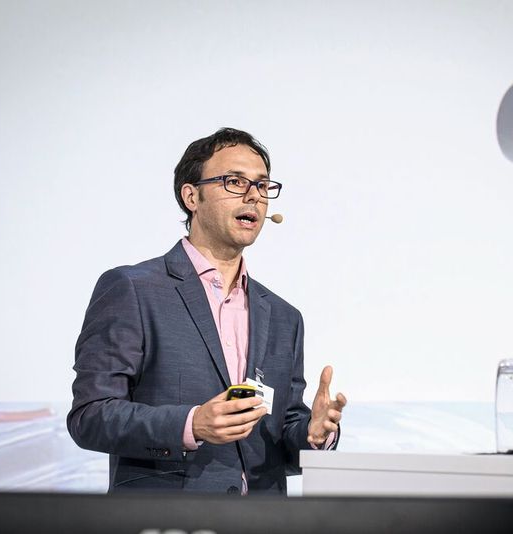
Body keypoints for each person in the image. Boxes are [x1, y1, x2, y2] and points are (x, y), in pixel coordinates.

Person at [67, 128, 346, 494]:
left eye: (262, 186)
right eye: (234, 181)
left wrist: (312, 435)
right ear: (191, 196)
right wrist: (192, 423)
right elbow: (91, 416)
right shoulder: (132, 289)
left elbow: (280, 434)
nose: (253, 196)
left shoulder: (283, 316)